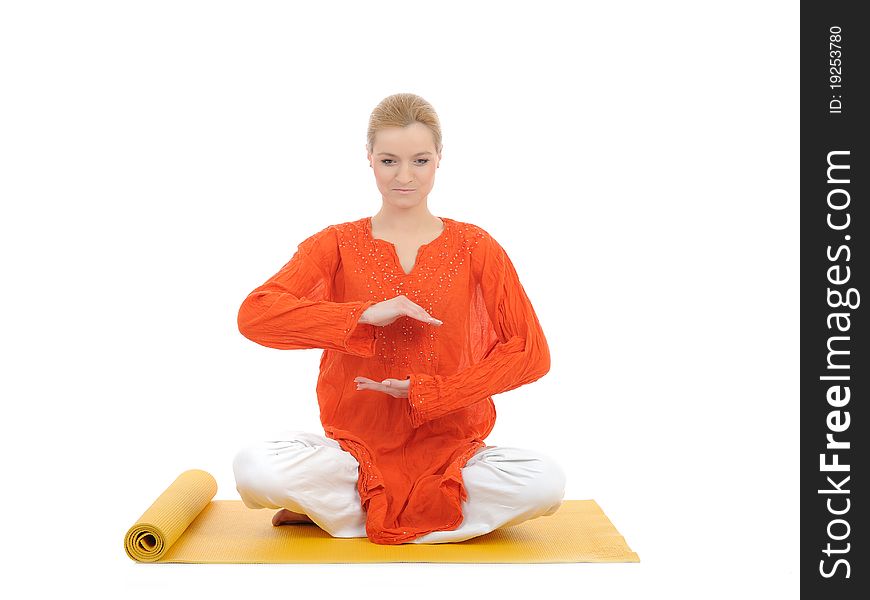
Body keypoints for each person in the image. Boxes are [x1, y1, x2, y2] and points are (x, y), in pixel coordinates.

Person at [232, 92, 566, 545]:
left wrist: (435, 392)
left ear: (439, 160)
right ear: (369, 158)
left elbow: (531, 354)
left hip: (453, 453)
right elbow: (256, 315)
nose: (404, 176)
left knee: (545, 482)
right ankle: (409, 515)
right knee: (256, 468)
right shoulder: (335, 243)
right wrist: (363, 315)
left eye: (420, 161)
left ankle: (354, 516)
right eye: (389, 160)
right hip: (355, 452)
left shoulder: (475, 245)